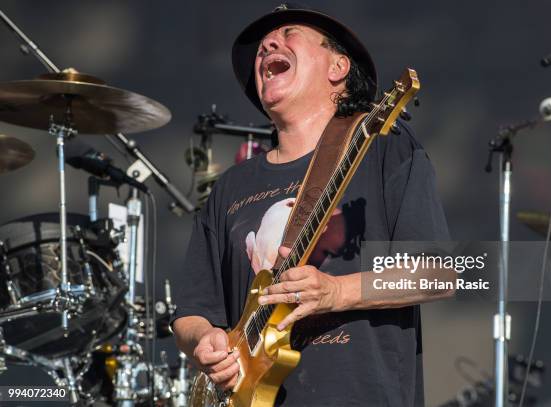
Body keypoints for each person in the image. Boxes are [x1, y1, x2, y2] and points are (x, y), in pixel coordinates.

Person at [172, 3, 451, 406]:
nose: (268, 45)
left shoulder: (382, 148)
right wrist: (205, 340)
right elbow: (190, 312)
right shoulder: (232, 186)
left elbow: (437, 272)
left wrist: (337, 292)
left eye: (288, 34)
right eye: (264, 45)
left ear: (338, 67)